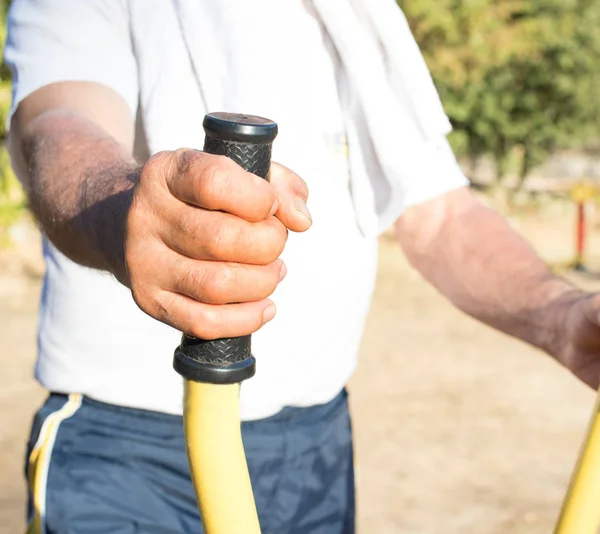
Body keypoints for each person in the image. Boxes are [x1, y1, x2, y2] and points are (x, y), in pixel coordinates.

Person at [5, 1, 600, 533]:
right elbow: (55, 124)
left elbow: (440, 215)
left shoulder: (364, 16)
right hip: (130, 448)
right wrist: (123, 210)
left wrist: (563, 320)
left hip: (316, 446)